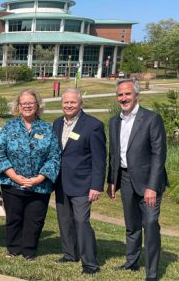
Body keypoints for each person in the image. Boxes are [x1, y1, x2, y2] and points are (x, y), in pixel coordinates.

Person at [107, 78, 168, 281]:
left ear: (136, 95)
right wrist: (112, 180)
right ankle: (131, 263)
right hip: (124, 179)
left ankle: (151, 273)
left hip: (148, 182)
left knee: (150, 224)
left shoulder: (151, 118)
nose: (123, 98)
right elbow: (114, 154)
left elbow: (159, 155)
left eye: (127, 94)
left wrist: (152, 186)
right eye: (120, 95)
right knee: (131, 225)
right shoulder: (114, 121)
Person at [0, 88, 60, 261]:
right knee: (14, 218)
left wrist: (39, 178)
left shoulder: (47, 129)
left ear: (37, 105)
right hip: (12, 182)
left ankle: (29, 251)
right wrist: (14, 176)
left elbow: (54, 157)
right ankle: (13, 249)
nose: (27, 106)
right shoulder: (9, 127)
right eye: (24, 103)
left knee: (35, 219)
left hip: (39, 185)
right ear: (18, 106)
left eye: (31, 103)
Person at [52, 88, 106, 275]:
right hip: (60, 183)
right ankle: (69, 254)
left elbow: (100, 159)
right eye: (66, 102)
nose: (69, 105)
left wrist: (96, 186)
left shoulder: (93, 125)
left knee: (82, 222)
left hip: (83, 184)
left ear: (80, 103)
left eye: (72, 102)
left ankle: (90, 263)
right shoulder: (57, 123)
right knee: (64, 221)